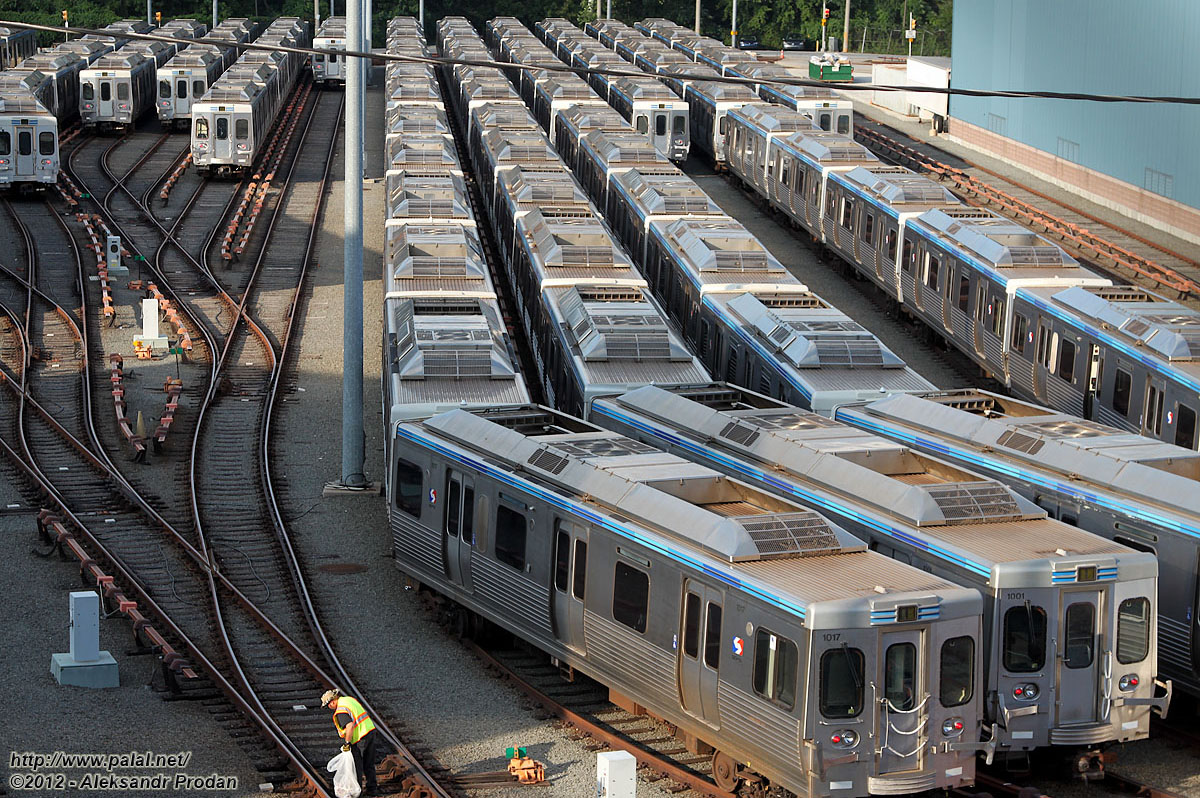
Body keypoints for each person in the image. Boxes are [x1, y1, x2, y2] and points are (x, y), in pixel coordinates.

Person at [321, 689, 379, 794]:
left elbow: (350, 726)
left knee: (358, 766)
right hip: (370, 731)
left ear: (333, 702)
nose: (329, 708)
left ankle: (358, 792)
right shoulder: (348, 700)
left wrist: (347, 742)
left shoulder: (341, 711)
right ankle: (372, 788)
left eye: (328, 705)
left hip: (360, 738)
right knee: (369, 762)